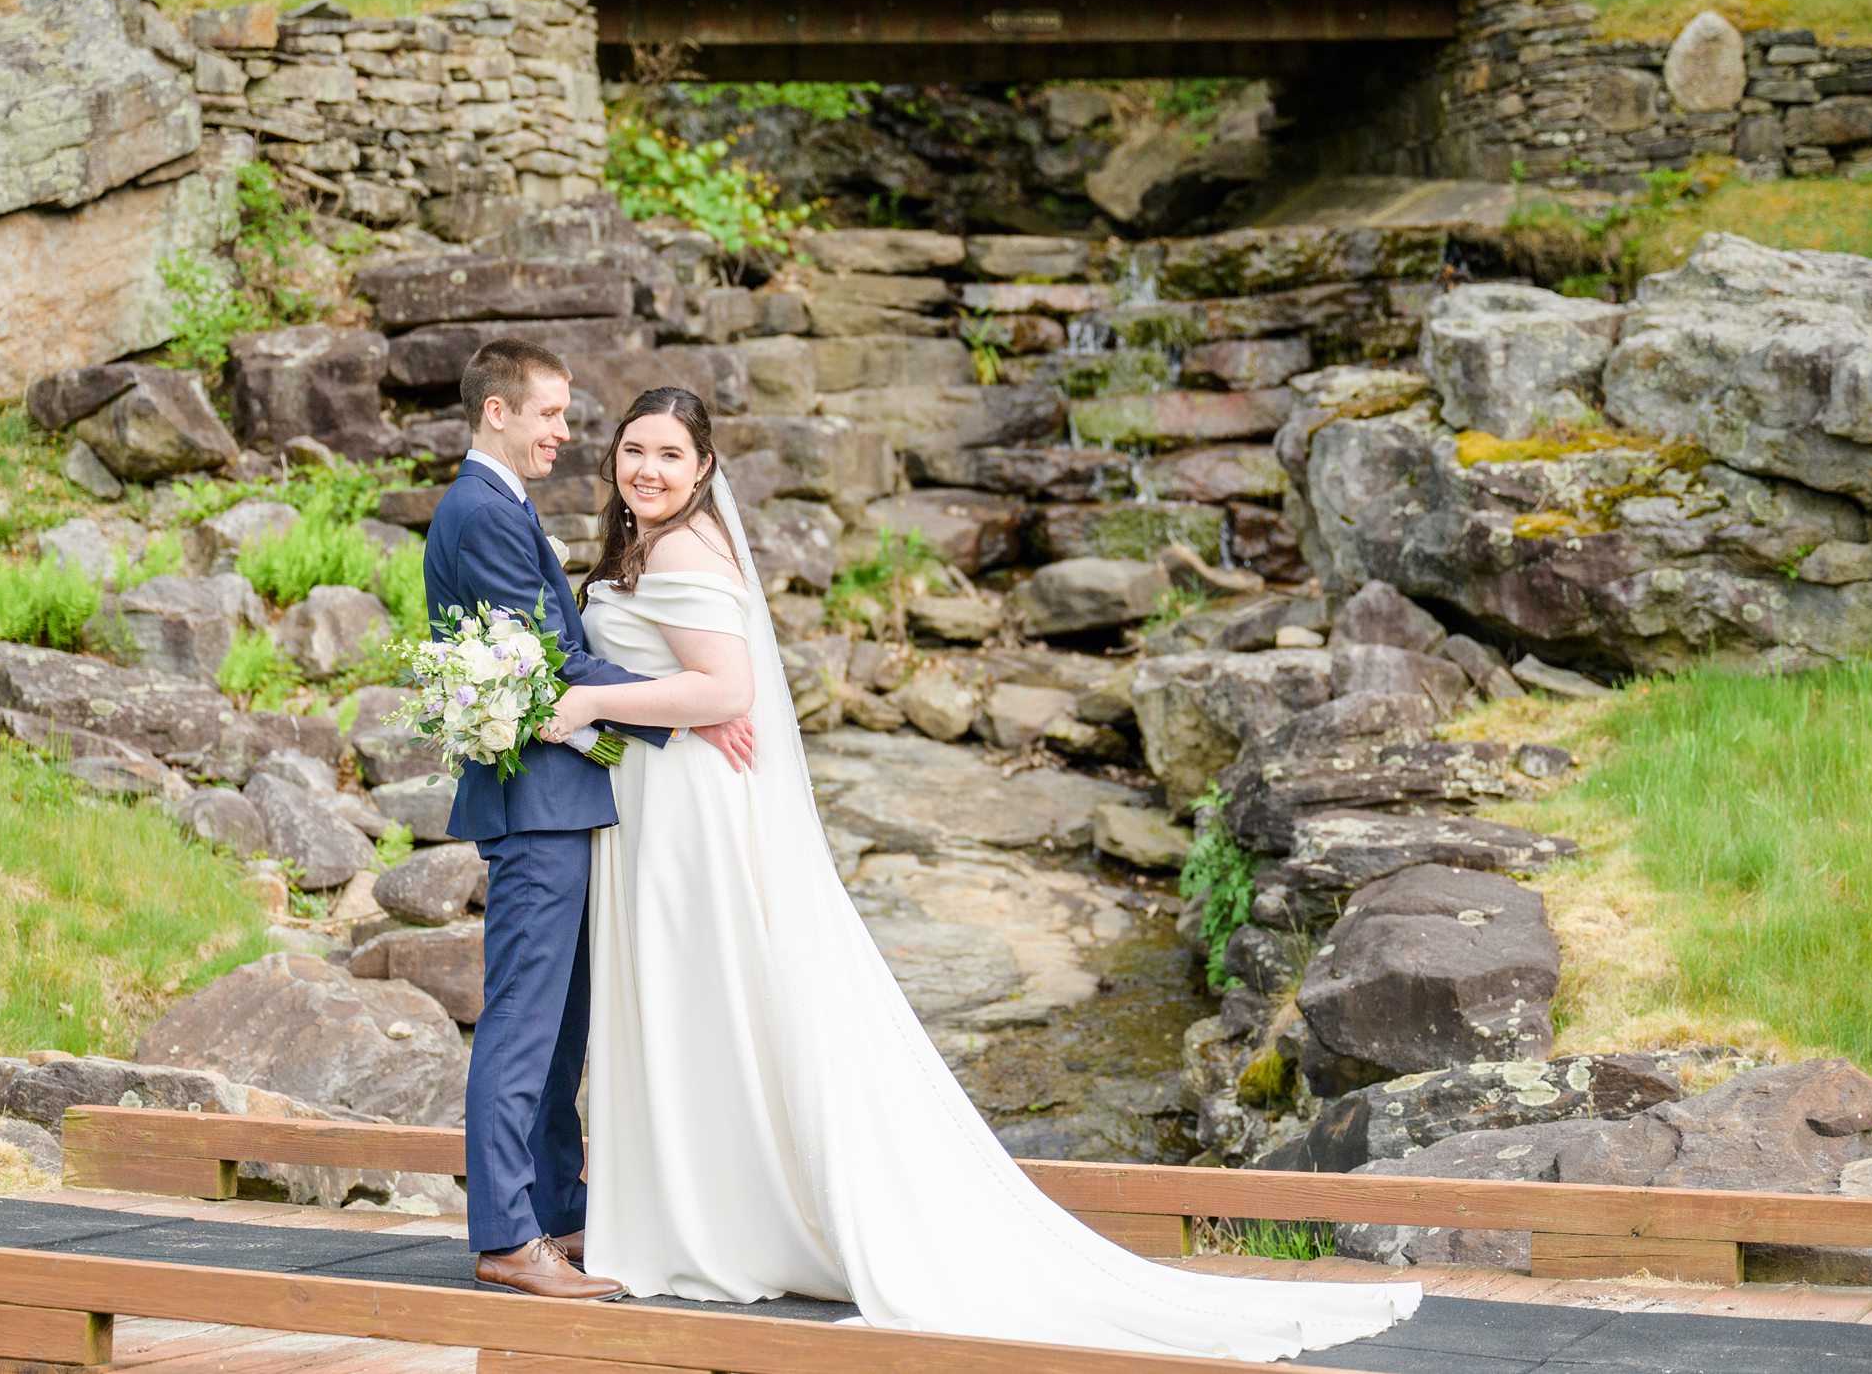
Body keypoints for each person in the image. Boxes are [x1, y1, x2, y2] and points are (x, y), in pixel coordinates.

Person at [538, 386, 1422, 1361]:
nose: (648, 470)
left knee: (702, 1000)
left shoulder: (682, 549)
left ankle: (711, 1223)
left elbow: (727, 688)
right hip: (665, 802)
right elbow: (689, 682)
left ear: (704, 467)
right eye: (634, 451)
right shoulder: (642, 545)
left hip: (691, 817)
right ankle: (699, 1212)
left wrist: (581, 702)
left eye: (668, 454)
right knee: (697, 1007)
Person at [421, 343, 754, 1302]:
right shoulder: (483, 511)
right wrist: (695, 701)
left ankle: (559, 1213)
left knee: (562, 1026)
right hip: (536, 801)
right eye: (552, 415)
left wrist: (674, 705)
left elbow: (552, 658)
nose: (568, 434)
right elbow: (549, 659)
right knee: (525, 1022)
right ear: (496, 411)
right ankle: (505, 1235)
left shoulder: (503, 504)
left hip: (563, 797)